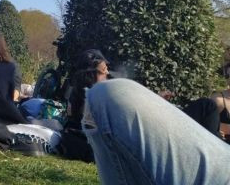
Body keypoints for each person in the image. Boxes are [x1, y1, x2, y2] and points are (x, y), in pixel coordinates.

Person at [85, 78, 230, 185]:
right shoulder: (218, 99)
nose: (105, 72)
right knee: (207, 105)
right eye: (101, 70)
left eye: (105, 69)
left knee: (106, 94)